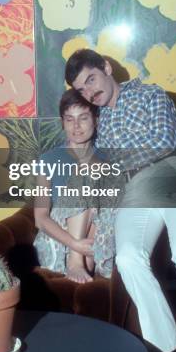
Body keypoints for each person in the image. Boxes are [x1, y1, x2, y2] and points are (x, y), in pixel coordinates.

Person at [65, 49, 176, 352]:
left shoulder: (152, 95)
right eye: (82, 88)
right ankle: (169, 351)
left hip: (171, 171)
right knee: (127, 259)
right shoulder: (102, 120)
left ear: (107, 68)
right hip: (135, 187)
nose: (89, 92)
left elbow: (162, 143)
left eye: (91, 80)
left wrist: (112, 162)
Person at [33, 89, 117, 283]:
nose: (76, 126)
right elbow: (40, 218)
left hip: (94, 244)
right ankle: (75, 262)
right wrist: (74, 245)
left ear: (95, 120)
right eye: (70, 119)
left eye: (83, 118)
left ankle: (82, 262)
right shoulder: (48, 160)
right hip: (58, 244)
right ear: (62, 122)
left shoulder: (108, 159)